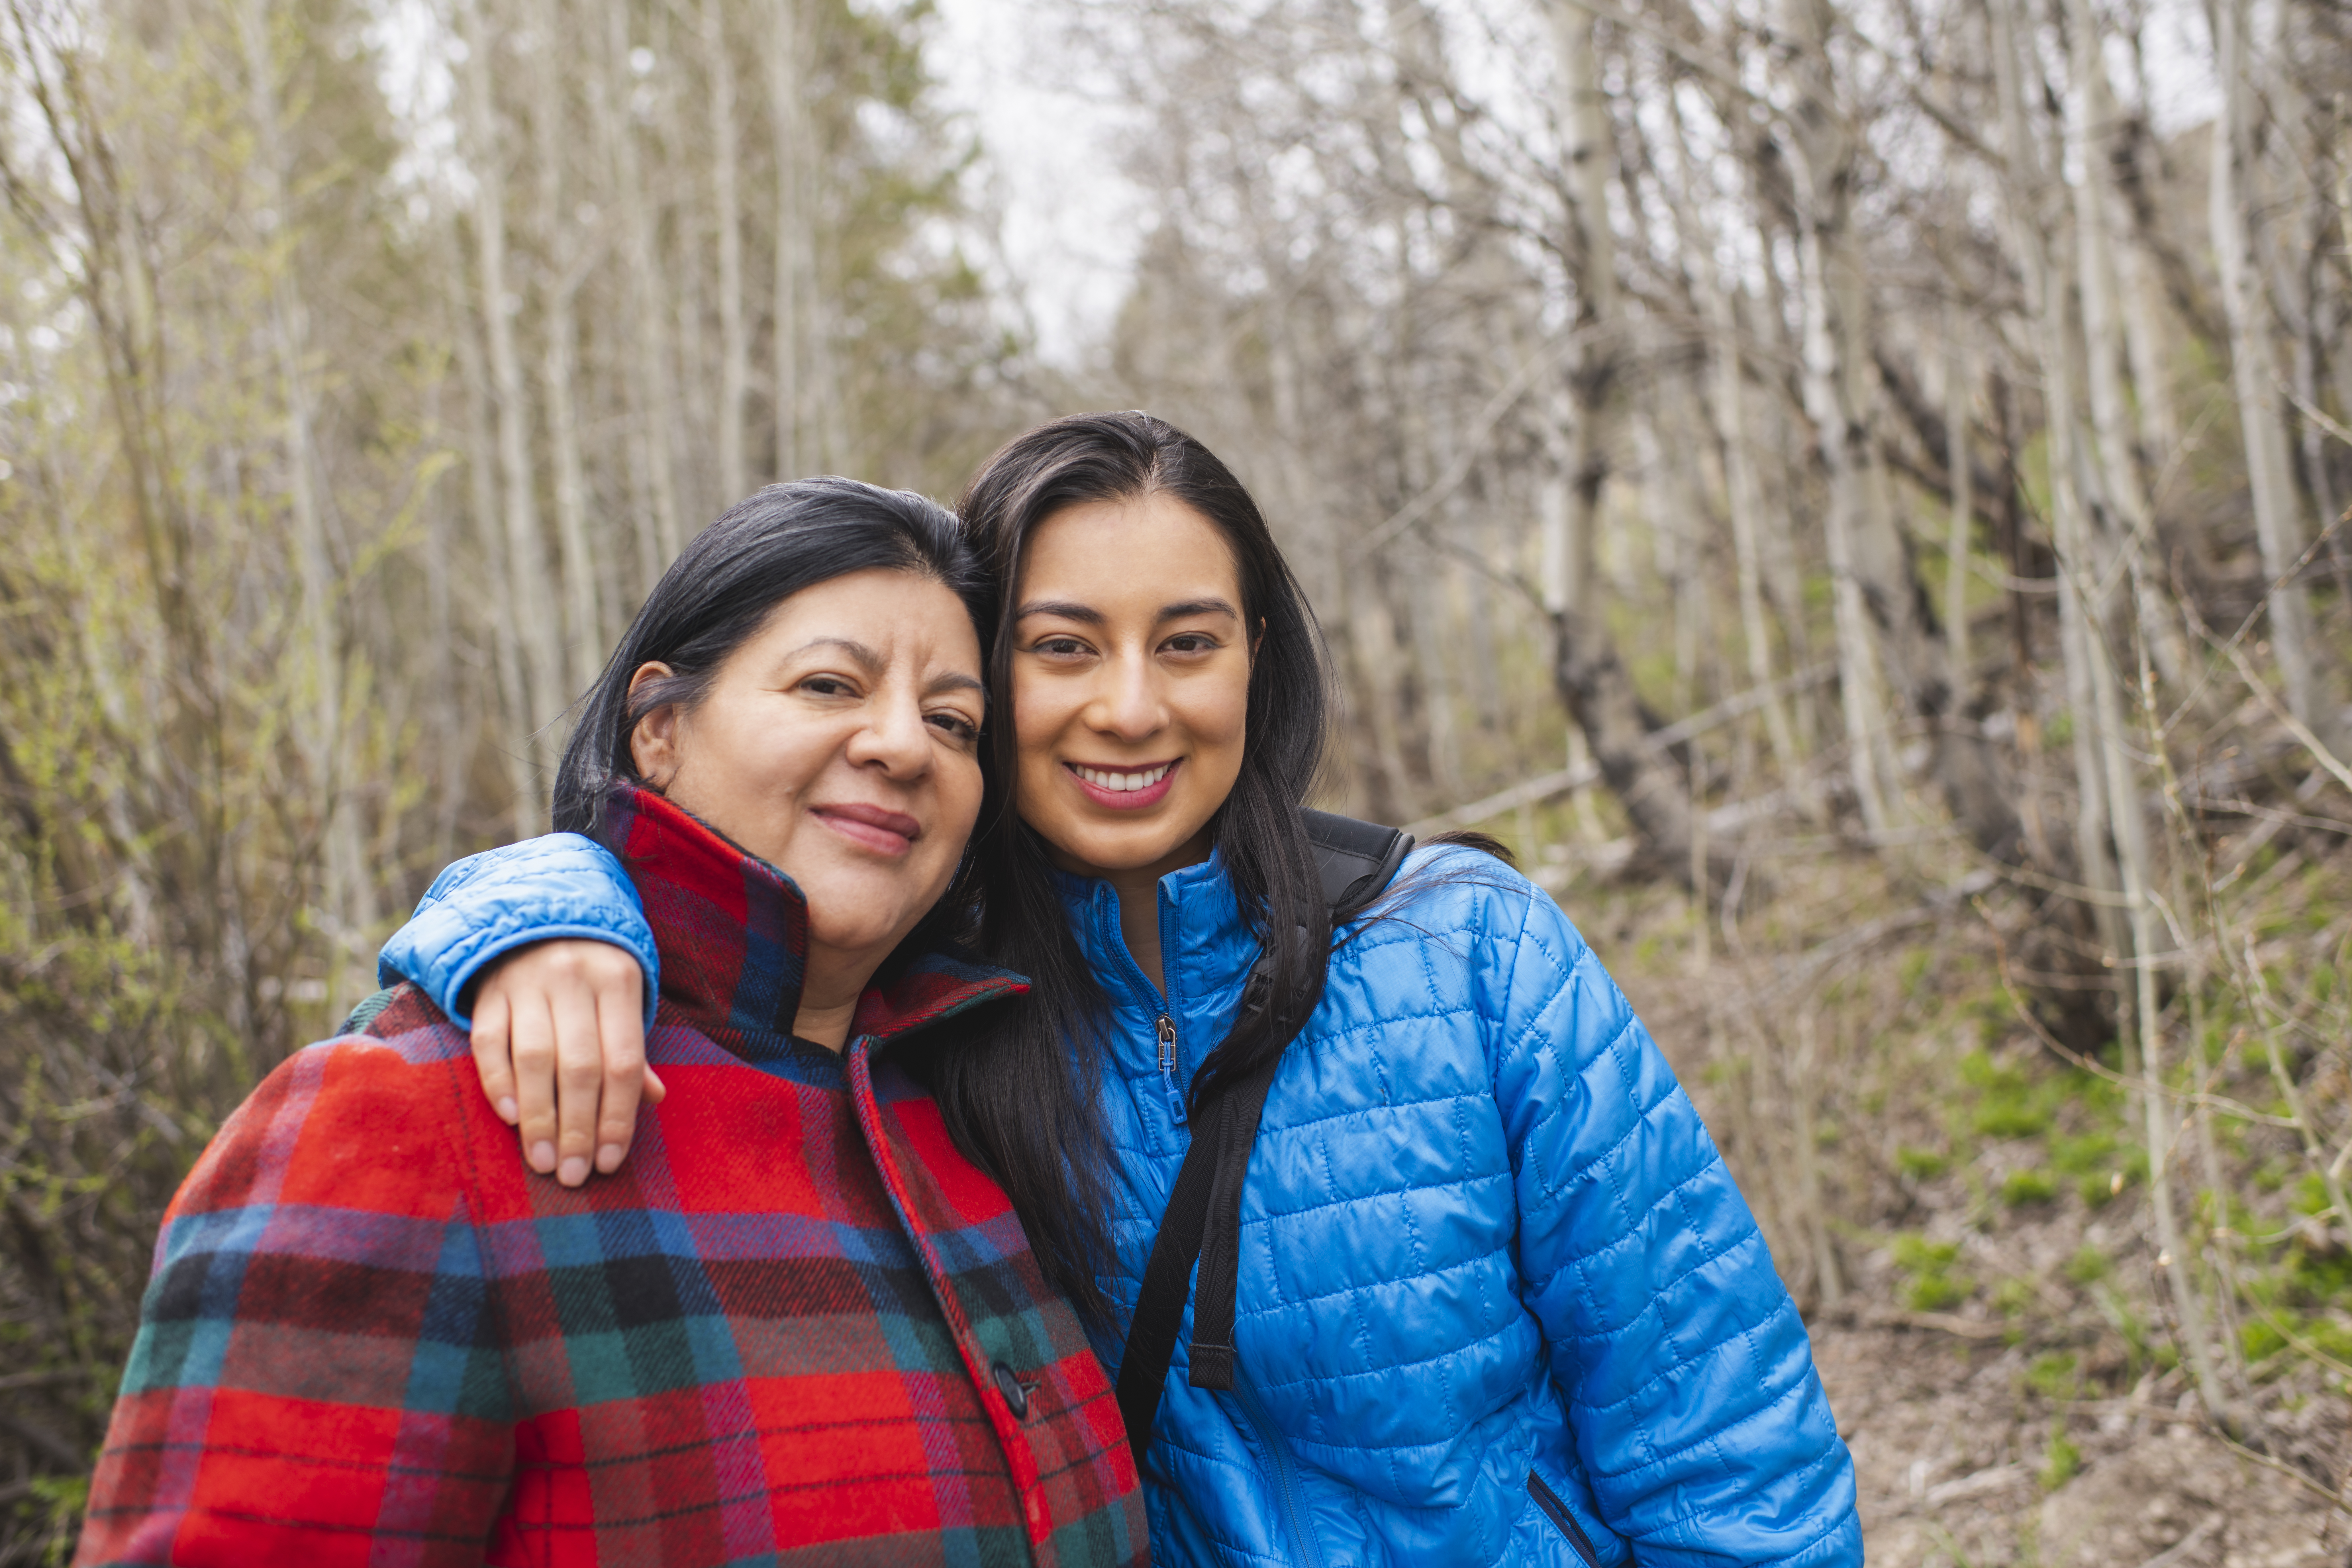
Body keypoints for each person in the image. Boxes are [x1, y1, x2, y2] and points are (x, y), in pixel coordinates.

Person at [371, 415, 1864, 1566]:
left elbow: (1720, 1439)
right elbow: (722, 905)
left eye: (1188, 645)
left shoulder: (1469, 952)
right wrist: (536, 910)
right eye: (1062, 648)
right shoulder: (920, 1003)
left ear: (1256, 661)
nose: (1131, 707)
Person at [76, 480, 1146, 1568]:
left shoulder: (978, 1106)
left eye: (953, 722)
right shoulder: (416, 1118)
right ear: (661, 730)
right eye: (830, 683)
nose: (902, 745)